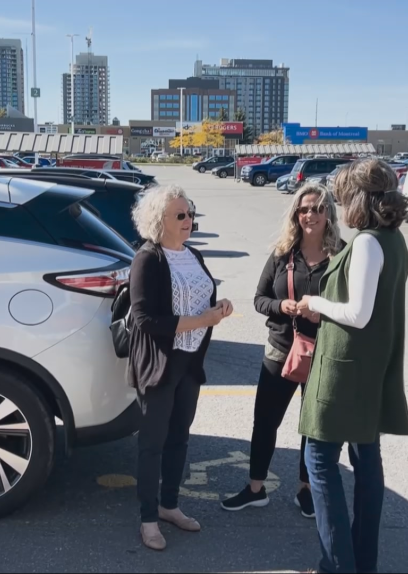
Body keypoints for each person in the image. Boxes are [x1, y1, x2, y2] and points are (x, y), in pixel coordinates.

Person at [295, 159, 408, 574]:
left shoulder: (367, 242)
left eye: (343, 197)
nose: (339, 205)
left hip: (348, 367)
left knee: (320, 460)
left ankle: (337, 564)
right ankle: (362, 563)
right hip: (371, 363)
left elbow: (358, 313)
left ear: (359, 199)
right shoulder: (392, 238)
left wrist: (314, 303)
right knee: (366, 458)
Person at [222, 183, 344, 518]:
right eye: (304, 209)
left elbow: (352, 306)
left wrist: (324, 311)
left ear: (329, 213)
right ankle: (255, 488)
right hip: (281, 349)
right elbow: (260, 299)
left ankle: (306, 489)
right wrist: (282, 306)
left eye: (318, 208)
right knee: (265, 421)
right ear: (295, 214)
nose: (310, 215)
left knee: (312, 425)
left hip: (323, 352)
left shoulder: (340, 255)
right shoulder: (282, 253)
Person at [128, 184, 234, 551]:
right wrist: (200, 319)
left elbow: (201, 299)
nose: (190, 221)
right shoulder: (149, 258)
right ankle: (147, 518)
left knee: (180, 439)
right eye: (181, 216)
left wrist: (219, 309)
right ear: (161, 221)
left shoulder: (193, 255)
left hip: (189, 364)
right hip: (160, 365)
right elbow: (144, 320)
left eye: (191, 214)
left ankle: (169, 505)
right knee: (152, 445)